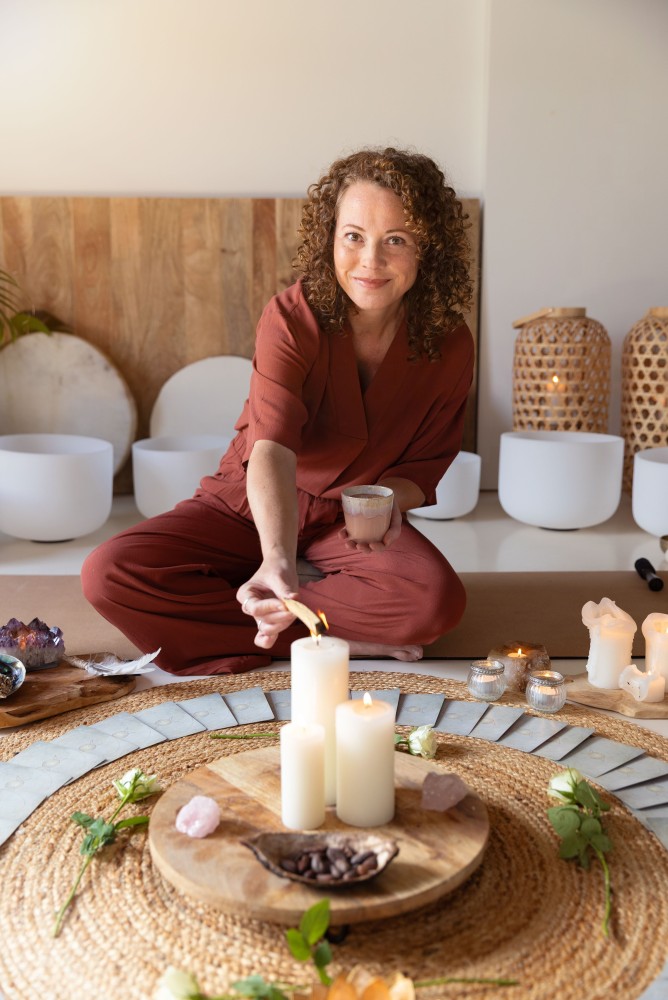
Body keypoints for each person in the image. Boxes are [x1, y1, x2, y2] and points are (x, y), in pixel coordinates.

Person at [81, 147, 475, 675]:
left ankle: (272, 616)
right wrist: (277, 559)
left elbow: (424, 465)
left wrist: (383, 505)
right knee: (109, 572)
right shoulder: (293, 316)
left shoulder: (449, 343)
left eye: (396, 240)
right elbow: (271, 448)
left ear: (429, 247)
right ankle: (321, 633)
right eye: (353, 236)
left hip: (348, 522)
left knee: (433, 601)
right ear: (330, 238)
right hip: (250, 503)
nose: (370, 261)